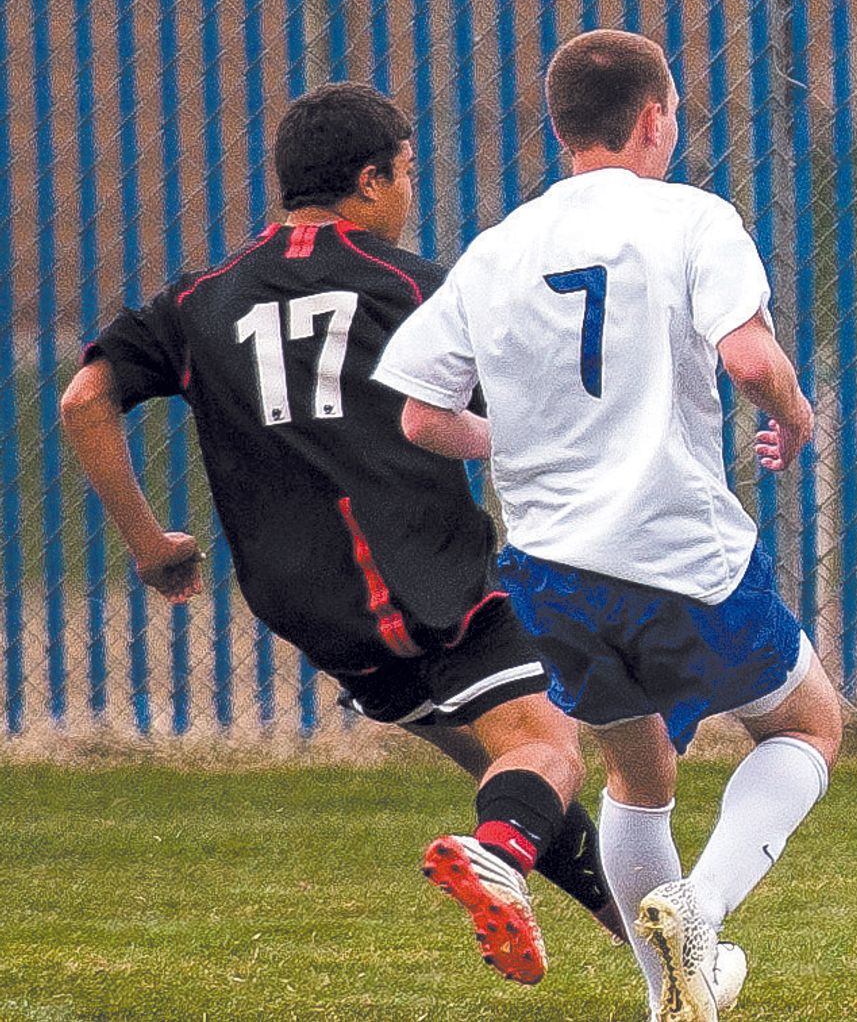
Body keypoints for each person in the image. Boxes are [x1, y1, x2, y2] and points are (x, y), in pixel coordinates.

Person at [57, 83, 619, 983]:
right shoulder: (417, 288)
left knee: (503, 762)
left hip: (308, 604)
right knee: (546, 749)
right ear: (367, 180)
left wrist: (151, 545)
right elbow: (526, 416)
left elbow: (84, 399)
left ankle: (647, 946)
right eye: (404, 174)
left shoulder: (197, 301)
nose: (408, 193)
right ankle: (505, 863)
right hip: (432, 575)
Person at [373, 30, 835, 1022]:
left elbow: (417, 413)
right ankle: (699, 907)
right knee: (808, 723)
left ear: (557, 127)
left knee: (640, 772)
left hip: (550, 570)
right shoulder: (691, 217)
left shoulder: (500, 246)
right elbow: (752, 361)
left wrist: (527, 435)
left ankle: (678, 998)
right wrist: (796, 418)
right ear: (656, 118)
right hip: (678, 548)